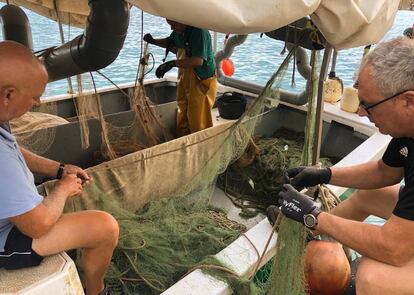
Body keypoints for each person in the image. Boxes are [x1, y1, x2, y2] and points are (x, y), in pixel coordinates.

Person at [275, 36, 414, 295]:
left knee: (374, 278)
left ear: (408, 100)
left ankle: (316, 235)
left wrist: (314, 216)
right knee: (370, 197)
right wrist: (324, 175)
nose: (361, 112)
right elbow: (385, 172)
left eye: (368, 105)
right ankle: (310, 238)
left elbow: (392, 248)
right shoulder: (407, 129)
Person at [0, 41, 119, 295]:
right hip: (6, 240)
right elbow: (37, 226)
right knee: (105, 228)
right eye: (34, 96)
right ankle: (96, 292)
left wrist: (58, 169)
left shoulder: (1, 117)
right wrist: (63, 189)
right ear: (8, 95)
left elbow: (15, 150)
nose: (38, 103)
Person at [143, 19, 218, 137]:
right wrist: (154, 41)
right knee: (182, 109)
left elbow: (198, 61)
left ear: (183, 19)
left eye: (173, 24)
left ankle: (199, 147)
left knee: (198, 118)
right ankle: (183, 143)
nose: (172, 28)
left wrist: (171, 64)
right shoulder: (180, 30)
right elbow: (170, 42)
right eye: (170, 24)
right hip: (186, 77)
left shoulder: (199, 32)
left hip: (201, 80)